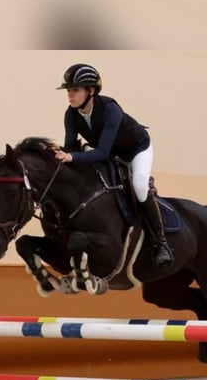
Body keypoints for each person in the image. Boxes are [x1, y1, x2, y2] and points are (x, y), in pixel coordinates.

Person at [53, 63, 174, 270]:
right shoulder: (71, 114)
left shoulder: (110, 110)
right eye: (69, 90)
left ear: (91, 91)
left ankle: (161, 244)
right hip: (111, 152)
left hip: (136, 150)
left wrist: (72, 157)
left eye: (75, 90)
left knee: (139, 186)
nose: (70, 95)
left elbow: (102, 153)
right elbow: (72, 146)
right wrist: (59, 152)